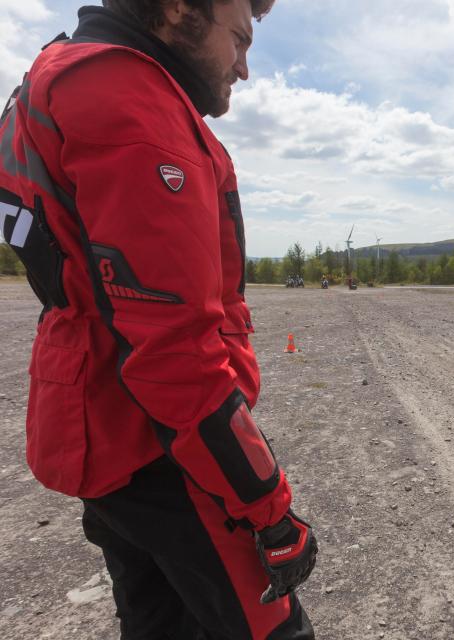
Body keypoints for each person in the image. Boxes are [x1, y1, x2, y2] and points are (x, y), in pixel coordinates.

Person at [0, 1, 317, 638]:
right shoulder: (132, 102)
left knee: (158, 624)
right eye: (239, 40)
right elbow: (177, 359)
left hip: (101, 434)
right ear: (179, 10)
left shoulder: (54, 76)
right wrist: (270, 511)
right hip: (164, 452)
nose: (246, 69)